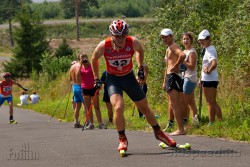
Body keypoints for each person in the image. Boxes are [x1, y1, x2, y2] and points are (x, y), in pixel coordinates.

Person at [91, 19, 177, 154]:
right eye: (117, 36)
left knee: (144, 107)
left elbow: (140, 51)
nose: (120, 39)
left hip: (128, 77)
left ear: (127, 34)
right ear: (112, 35)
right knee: (118, 107)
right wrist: (96, 78)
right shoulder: (104, 45)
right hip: (113, 79)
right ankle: (122, 139)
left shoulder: (133, 42)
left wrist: (140, 67)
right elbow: (94, 58)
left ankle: (159, 133)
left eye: (123, 35)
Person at [161, 28, 186, 136]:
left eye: (166, 36)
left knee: (175, 103)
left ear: (171, 36)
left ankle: (180, 129)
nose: (164, 39)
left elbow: (183, 55)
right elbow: (167, 66)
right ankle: (181, 127)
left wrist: (176, 66)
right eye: (162, 37)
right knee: (175, 103)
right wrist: (164, 81)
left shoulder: (173, 46)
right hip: (171, 76)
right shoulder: (169, 48)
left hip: (174, 76)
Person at [198, 29, 222, 125]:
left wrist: (208, 71)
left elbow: (214, 63)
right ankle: (220, 121)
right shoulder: (207, 49)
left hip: (209, 79)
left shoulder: (210, 50)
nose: (201, 42)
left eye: (203, 40)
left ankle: (211, 122)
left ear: (209, 39)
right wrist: (201, 78)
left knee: (210, 102)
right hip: (210, 78)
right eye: (200, 40)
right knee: (213, 102)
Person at [80, 54, 106, 130]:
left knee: (96, 106)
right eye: (82, 58)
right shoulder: (80, 67)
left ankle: (100, 123)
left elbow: (96, 70)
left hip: (93, 88)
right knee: (88, 108)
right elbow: (78, 76)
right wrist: (81, 64)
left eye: (85, 58)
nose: (84, 60)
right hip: (85, 88)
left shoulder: (91, 65)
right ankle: (91, 124)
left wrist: (89, 63)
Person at [181, 32, 199, 124]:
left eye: (187, 39)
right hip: (185, 77)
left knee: (185, 102)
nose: (185, 41)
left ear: (191, 40)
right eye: (184, 39)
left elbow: (191, 66)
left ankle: (185, 122)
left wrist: (182, 61)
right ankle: (196, 121)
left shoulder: (192, 52)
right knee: (191, 103)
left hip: (190, 78)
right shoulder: (184, 52)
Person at [69, 53, 86, 128]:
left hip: (74, 86)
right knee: (85, 104)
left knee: (77, 105)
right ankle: (88, 121)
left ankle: (76, 121)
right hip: (81, 86)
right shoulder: (80, 66)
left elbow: (70, 78)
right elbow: (78, 75)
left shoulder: (72, 66)